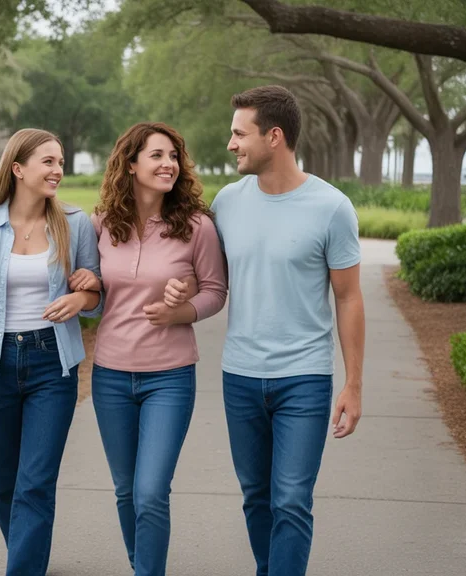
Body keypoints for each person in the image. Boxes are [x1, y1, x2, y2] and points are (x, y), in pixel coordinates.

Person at [166, 85, 365, 576]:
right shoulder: (228, 203)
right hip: (240, 376)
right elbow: (212, 277)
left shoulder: (332, 207)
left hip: (305, 378)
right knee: (257, 498)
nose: (230, 143)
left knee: (292, 499)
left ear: (274, 136)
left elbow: (349, 297)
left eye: (239, 133)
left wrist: (354, 385)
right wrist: (180, 289)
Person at [72, 122, 227, 576]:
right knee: (125, 490)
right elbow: (95, 301)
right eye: (157, 155)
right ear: (131, 163)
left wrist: (181, 311)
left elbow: (215, 291)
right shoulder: (100, 225)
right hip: (111, 376)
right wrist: (90, 284)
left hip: (171, 377)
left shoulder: (197, 226)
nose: (168, 164)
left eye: (174, 156)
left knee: (151, 491)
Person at [0, 128, 103, 576]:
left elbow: (95, 292)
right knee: (3, 483)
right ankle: (29, 554)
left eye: (60, 162)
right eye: (48, 162)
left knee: (35, 483)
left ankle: (23, 568)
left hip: (51, 365)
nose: (58, 170)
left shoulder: (75, 224)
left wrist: (82, 297)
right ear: (18, 169)